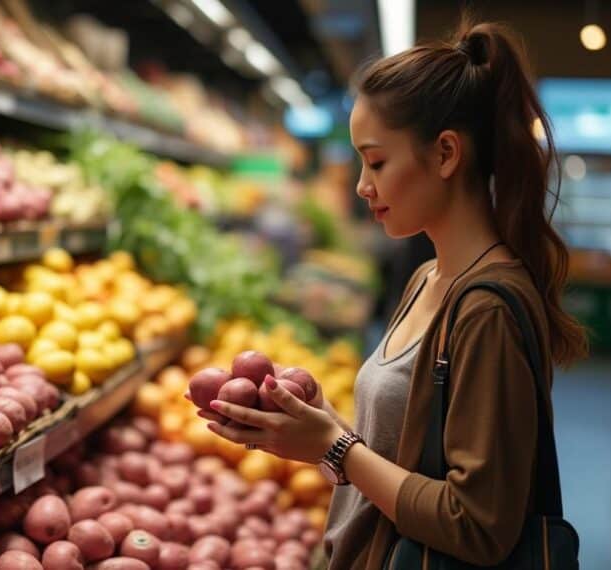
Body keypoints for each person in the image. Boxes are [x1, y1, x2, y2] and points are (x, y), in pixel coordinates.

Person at [203, 18, 588, 569]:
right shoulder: (426, 278)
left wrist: (335, 448)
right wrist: (318, 425)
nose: (362, 185)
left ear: (446, 154)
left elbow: (477, 525)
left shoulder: (487, 310)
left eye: (377, 161)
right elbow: (404, 461)